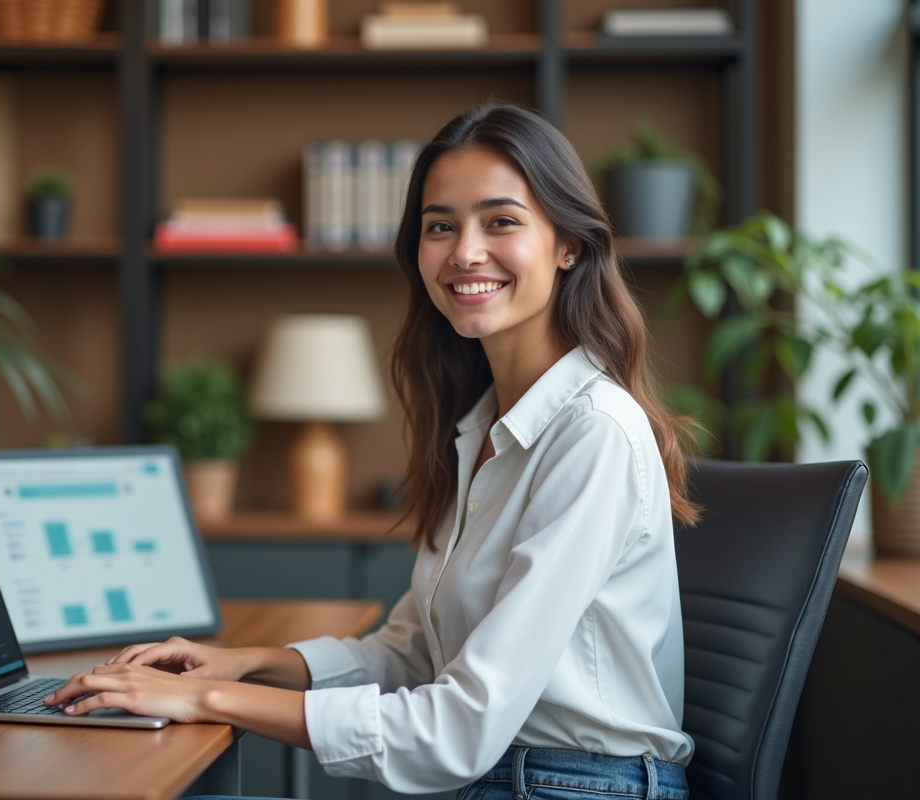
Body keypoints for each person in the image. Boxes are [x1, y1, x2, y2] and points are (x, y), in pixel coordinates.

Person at [44, 103, 699, 800]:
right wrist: (239, 666)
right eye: (439, 226)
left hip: (576, 786)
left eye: (500, 221)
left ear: (568, 243)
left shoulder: (591, 433)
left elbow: (457, 728)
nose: (465, 252)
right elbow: (415, 653)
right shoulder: (482, 429)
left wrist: (205, 702)